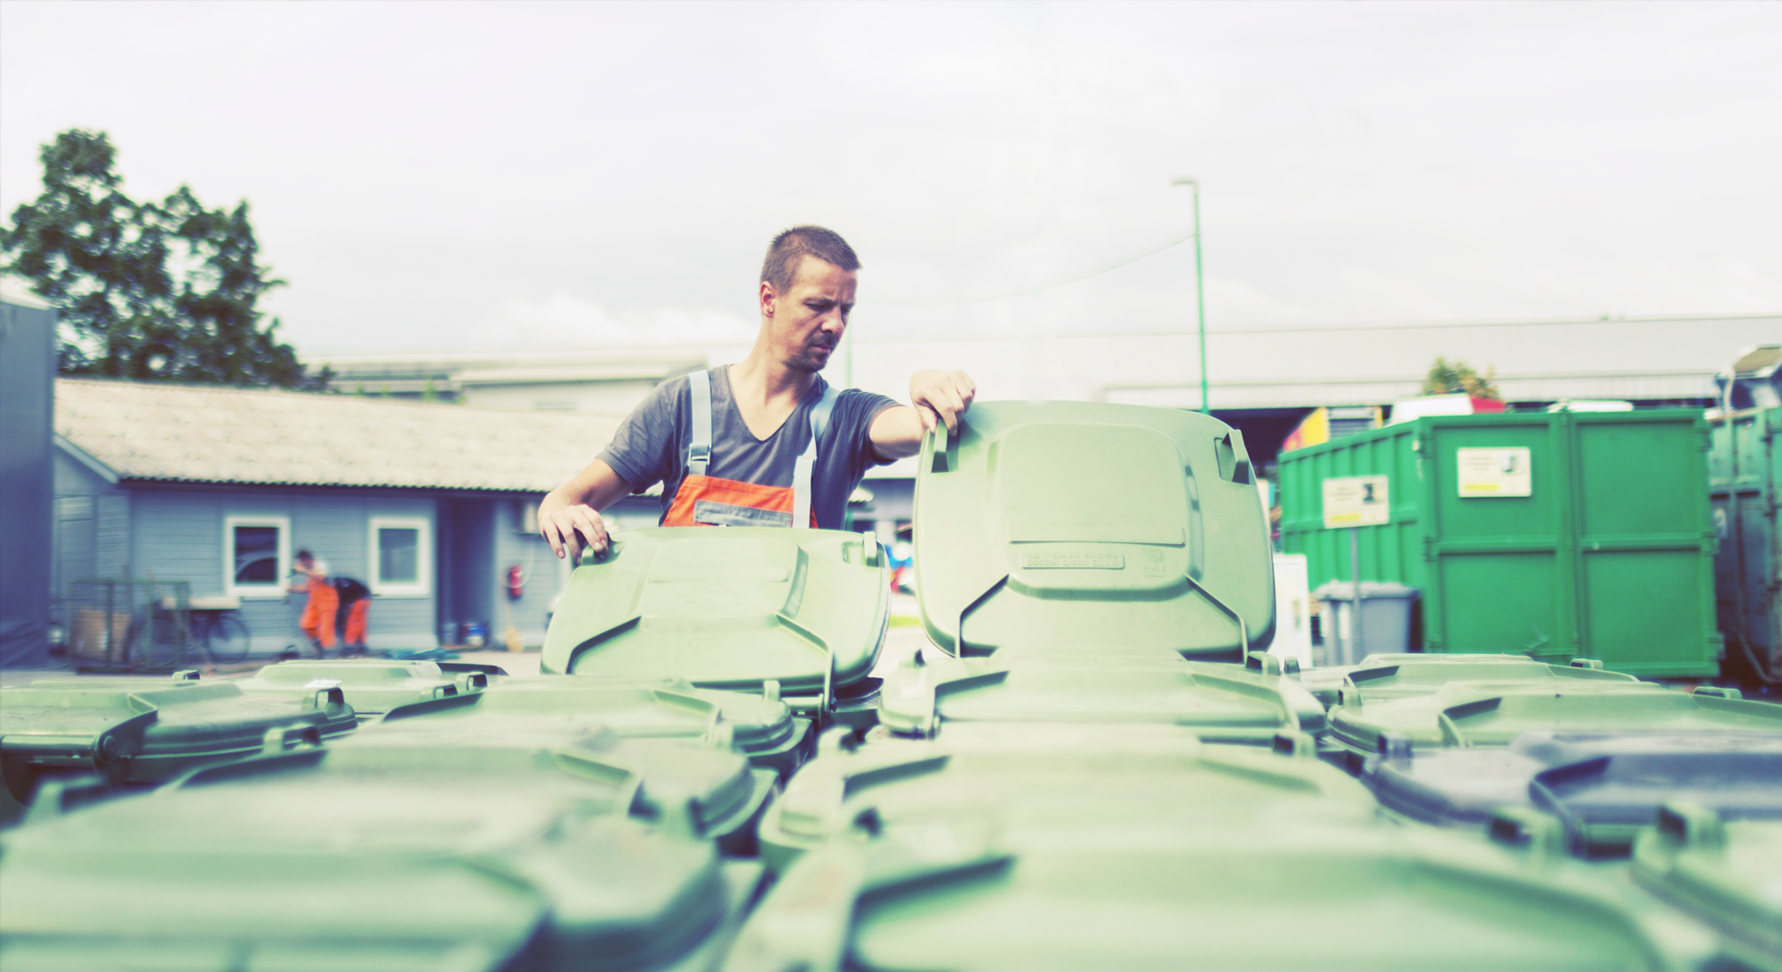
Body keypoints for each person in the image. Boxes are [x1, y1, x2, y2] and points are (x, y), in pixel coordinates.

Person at [539, 225, 975, 560]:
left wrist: (925, 385)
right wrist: (561, 514)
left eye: (845, 310)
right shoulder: (682, 406)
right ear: (769, 298)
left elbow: (922, 427)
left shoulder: (847, 418)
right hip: (682, 664)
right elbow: (566, 499)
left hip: (799, 669)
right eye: (818, 305)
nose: (835, 325)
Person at [290, 550, 338, 657]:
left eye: (300, 563)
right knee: (306, 625)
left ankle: (329, 656)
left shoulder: (320, 565)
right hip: (314, 602)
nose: (299, 565)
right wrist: (293, 588)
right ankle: (319, 648)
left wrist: (304, 571)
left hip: (327, 601)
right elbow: (308, 587)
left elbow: (322, 578)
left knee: (326, 630)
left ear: (306, 560)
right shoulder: (309, 570)